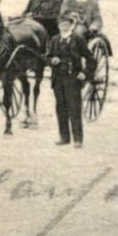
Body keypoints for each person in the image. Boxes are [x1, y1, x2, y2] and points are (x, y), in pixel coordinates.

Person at [47, 11, 89, 147]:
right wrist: (51, 60)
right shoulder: (54, 40)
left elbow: (91, 58)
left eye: (67, 24)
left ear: (71, 26)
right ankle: (64, 137)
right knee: (61, 108)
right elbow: (47, 57)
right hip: (58, 78)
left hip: (72, 78)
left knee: (74, 108)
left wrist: (85, 73)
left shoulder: (78, 39)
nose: (64, 27)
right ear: (58, 26)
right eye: (61, 25)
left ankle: (78, 139)